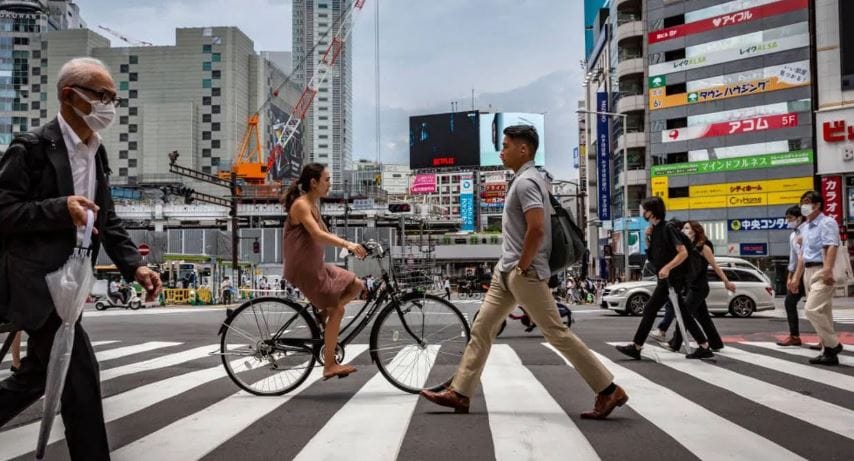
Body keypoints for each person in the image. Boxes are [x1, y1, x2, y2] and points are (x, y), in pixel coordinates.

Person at [0, 57, 162, 460]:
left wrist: (136, 266)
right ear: (69, 96)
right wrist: (60, 208)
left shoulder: (96, 152)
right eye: (102, 96)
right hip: (37, 283)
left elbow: (106, 220)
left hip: (70, 284)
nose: (110, 106)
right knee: (80, 380)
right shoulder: (31, 147)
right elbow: (4, 211)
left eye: (114, 98)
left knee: (39, 375)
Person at [420, 125, 627, 419]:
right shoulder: (522, 179)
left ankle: (608, 389)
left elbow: (537, 228)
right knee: (482, 328)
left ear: (524, 149)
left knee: (555, 332)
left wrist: (523, 265)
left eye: (506, 145)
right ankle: (460, 393)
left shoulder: (527, 182)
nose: (501, 152)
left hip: (523, 272)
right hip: (506, 271)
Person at [282, 163, 368, 380]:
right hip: (304, 269)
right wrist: (347, 244)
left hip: (317, 266)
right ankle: (329, 365)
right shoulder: (301, 205)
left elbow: (326, 234)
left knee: (357, 285)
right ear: (314, 182)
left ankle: (322, 315)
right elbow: (317, 235)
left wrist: (357, 245)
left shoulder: (313, 205)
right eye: (327, 179)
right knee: (338, 310)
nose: (330, 183)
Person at [614, 198, 708, 360]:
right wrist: (647, 238)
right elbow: (654, 257)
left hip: (672, 279)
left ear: (653, 212)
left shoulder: (667, 228)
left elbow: (683, 253)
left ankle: (636, 346)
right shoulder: (655, 230)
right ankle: (704, 345)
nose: (643, 213)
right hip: (666, 278)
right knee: (682, 312)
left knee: (651, 309)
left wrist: (667, 268)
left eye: (645, 209)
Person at [666, 221, 733, 355]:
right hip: (692, 287)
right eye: (683, 228)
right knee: (703, 318)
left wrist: (726, 282)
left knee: (684, 316)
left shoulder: (704, 247)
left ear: (695, 231)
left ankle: (676, 343)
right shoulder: (688, 246)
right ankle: (716, 343)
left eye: (687, 228)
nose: (683, 230)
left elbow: (715, 266)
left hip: (699, 288)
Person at [792, 191, 844, 365]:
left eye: (807, 202)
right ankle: (829, 353)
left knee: (811, 310)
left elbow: (832, 246)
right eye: (802, 202)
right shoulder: (805, 227)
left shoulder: (827, 222)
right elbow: (802, 256)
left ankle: (833, 345)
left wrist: (828, 270)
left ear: (817, 204)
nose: (803, 206)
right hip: (808, 271)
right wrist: (796, 277)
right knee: (824, 313)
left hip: (822, 269)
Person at [778, 205, 807, 346]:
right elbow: (793, 258)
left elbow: (804, 256)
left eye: (790, 218)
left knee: (816, 308)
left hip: (811, 269)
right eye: (787, 218)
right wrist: (790, 277)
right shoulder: (792, 235)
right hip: (798, 273)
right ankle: (794, 336)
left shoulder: (808, 230)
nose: (788, 221)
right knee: (789, 302)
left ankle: (825, 340)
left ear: (799, 218)